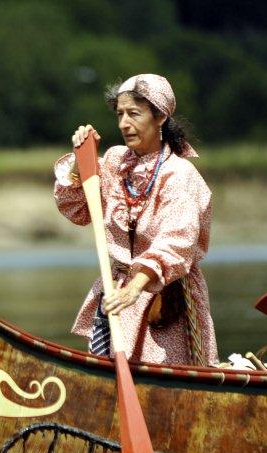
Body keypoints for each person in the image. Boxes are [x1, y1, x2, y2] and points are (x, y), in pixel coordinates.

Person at [53, 73, 218, 366]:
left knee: (165, 385)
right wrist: (81, 164)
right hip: (115, 292)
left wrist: (135, 287)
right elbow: (76, 210)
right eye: (119, 114)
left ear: (160, 117)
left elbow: (176, 243)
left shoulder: (179, 175)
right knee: (105, 380)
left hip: (165, 299)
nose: (123, 124)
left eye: (134, 114)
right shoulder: (116, 162)